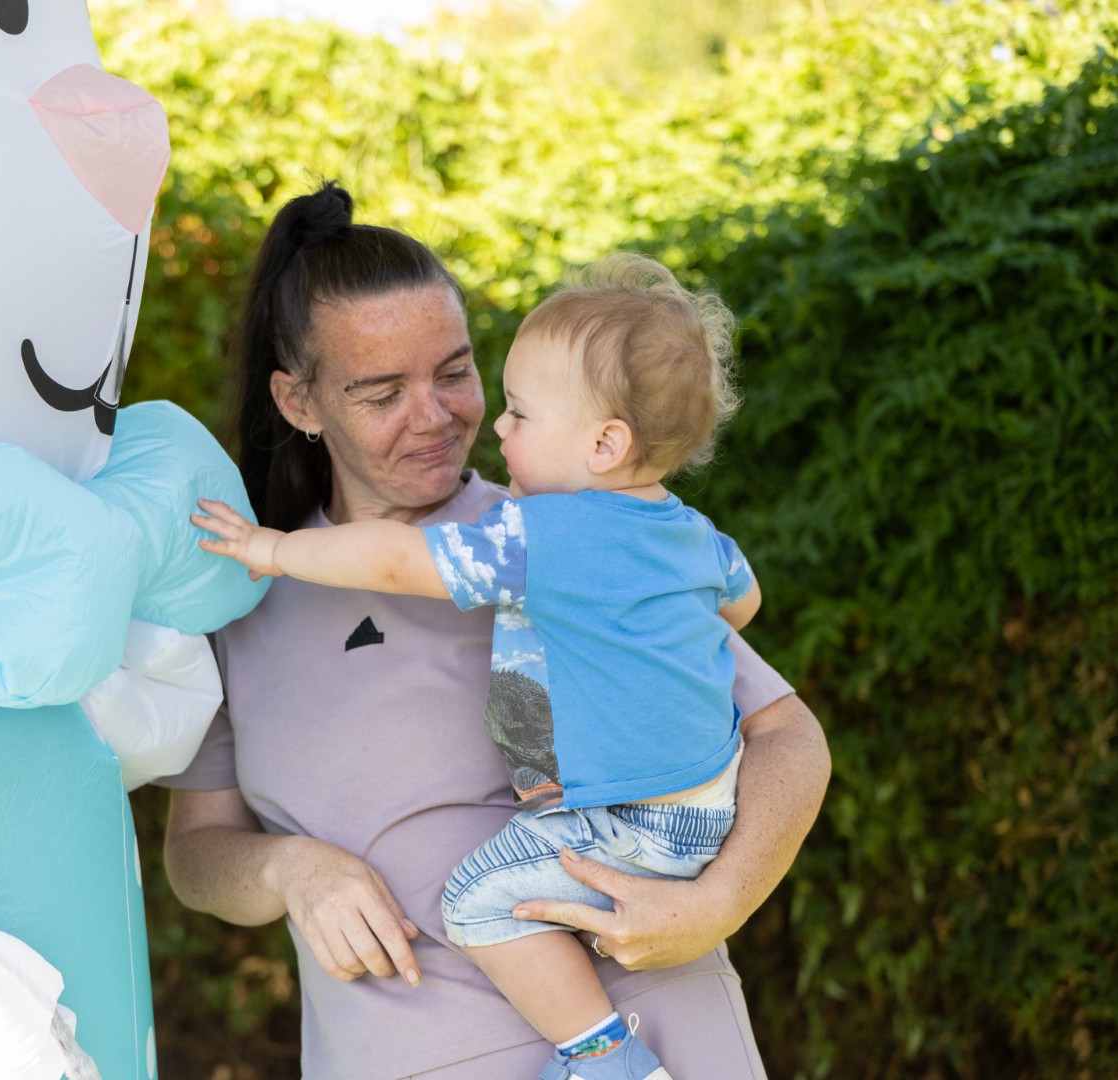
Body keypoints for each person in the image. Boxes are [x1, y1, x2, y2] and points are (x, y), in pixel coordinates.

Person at [157, 182, 830, 1080]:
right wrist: (290, 870)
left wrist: (718, 902)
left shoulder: (568, 534)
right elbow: (196, 853)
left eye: (454, 372)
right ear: (299, 401)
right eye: (382, 392)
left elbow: (787, 732)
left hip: (658, 1035)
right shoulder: (233, 596)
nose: (436, 416)